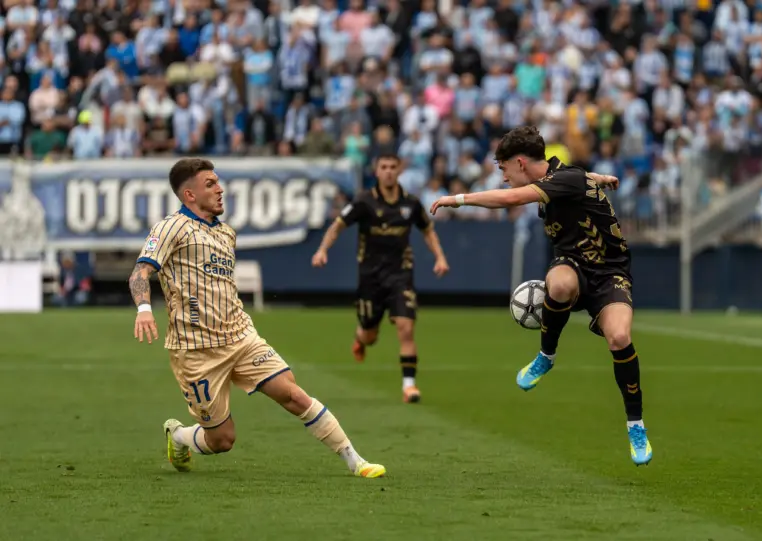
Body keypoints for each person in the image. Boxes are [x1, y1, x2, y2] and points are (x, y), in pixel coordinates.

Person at [130, 157, 386, 478]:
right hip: (196, 351)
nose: (220, 189)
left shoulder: (226, 234)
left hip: (241, 337)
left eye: (218, 181)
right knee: (223, 440)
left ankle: (356, 461)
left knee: (293, 394)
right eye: (210, 184)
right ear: (189, 195)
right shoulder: (170, 227)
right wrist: (143, 309)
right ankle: (179, 436)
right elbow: (140, 272)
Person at [430, 126, 652, 466]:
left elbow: (513, 198)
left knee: (620, 337)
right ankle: (546, 355)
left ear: (520, 162)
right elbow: (574, 177)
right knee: (559, 284)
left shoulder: (561, 180)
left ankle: (635, 426)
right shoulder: (564, 176)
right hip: (572, 264)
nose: (503, 177)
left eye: (503, 169)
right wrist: (599, 177)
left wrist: (457, 199)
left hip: (611, 274)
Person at [312, 153, 450, 403]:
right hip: (370, 278)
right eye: (383, 167)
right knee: (370, 335)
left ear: (399, 171)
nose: (388, 171)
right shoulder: (364, 201)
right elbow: (338, 225)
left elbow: (427, 231)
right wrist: (322, 250)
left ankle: (409, 386)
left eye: (392, 167)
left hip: (400, 275)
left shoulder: (411, 203)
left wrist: (440, 257)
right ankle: (360, 339)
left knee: (406, 326)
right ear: (376, 171)